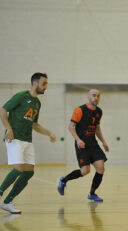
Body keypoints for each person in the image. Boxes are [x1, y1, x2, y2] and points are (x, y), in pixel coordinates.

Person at [0, 73, 56, 214]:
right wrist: (9, 129)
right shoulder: (21, 96)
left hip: (27, 140)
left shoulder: (38, 103)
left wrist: (48, 132)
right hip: (14, 138)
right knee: (18, 168)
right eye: (44, 84)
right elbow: (3, 110)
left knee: (29, 173)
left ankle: (7, 202)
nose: (46, 87)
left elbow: (34, 124)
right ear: (35, 83)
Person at [58, 89, 109, 202]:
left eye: (98, 96)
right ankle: (63, 180)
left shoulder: (99, 112)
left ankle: (92, 193)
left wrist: (103, 142)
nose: (96, 98)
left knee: (101, 168)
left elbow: (97, 128)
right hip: (82, 145)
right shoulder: (80, 110)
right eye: (94, 95)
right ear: (88, 97)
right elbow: (71, 126)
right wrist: (78, 140)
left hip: (93, 144)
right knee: (85, 171)